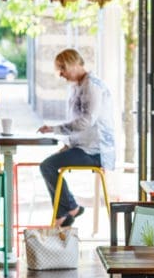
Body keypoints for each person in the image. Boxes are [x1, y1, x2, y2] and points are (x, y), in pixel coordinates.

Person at [37, 49, 115, 227]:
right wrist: (69, 144)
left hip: (96, 151)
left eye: (62, 68)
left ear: (73, 64)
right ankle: (65, 213)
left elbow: (86, 121)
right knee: (48, 166)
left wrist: (55, 129)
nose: (61, 74)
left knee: (48, 166)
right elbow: (79, 125)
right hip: (84, 147)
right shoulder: (78, 86)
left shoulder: (92, 86)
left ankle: (70, 209)